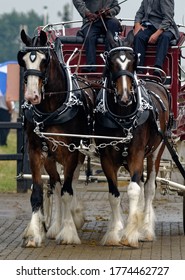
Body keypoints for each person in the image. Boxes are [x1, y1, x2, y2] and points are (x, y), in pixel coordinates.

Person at [133, 0, 180, 77]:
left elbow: (168, 19)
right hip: (150, 26)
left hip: (166, 28)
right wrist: (137, 24)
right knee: (139, 37)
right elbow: (140, 13)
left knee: (164, 37)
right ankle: (139, 69)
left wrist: (157, 34)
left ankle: (158, 68)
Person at [72, 0, 122, 73]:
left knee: (113, 31)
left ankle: (111, 65)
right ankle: (90, 67)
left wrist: (109, 12)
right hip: (91, 21)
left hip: (109, 20)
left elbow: (117, 7)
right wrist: (87, 13)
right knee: (89, 37)